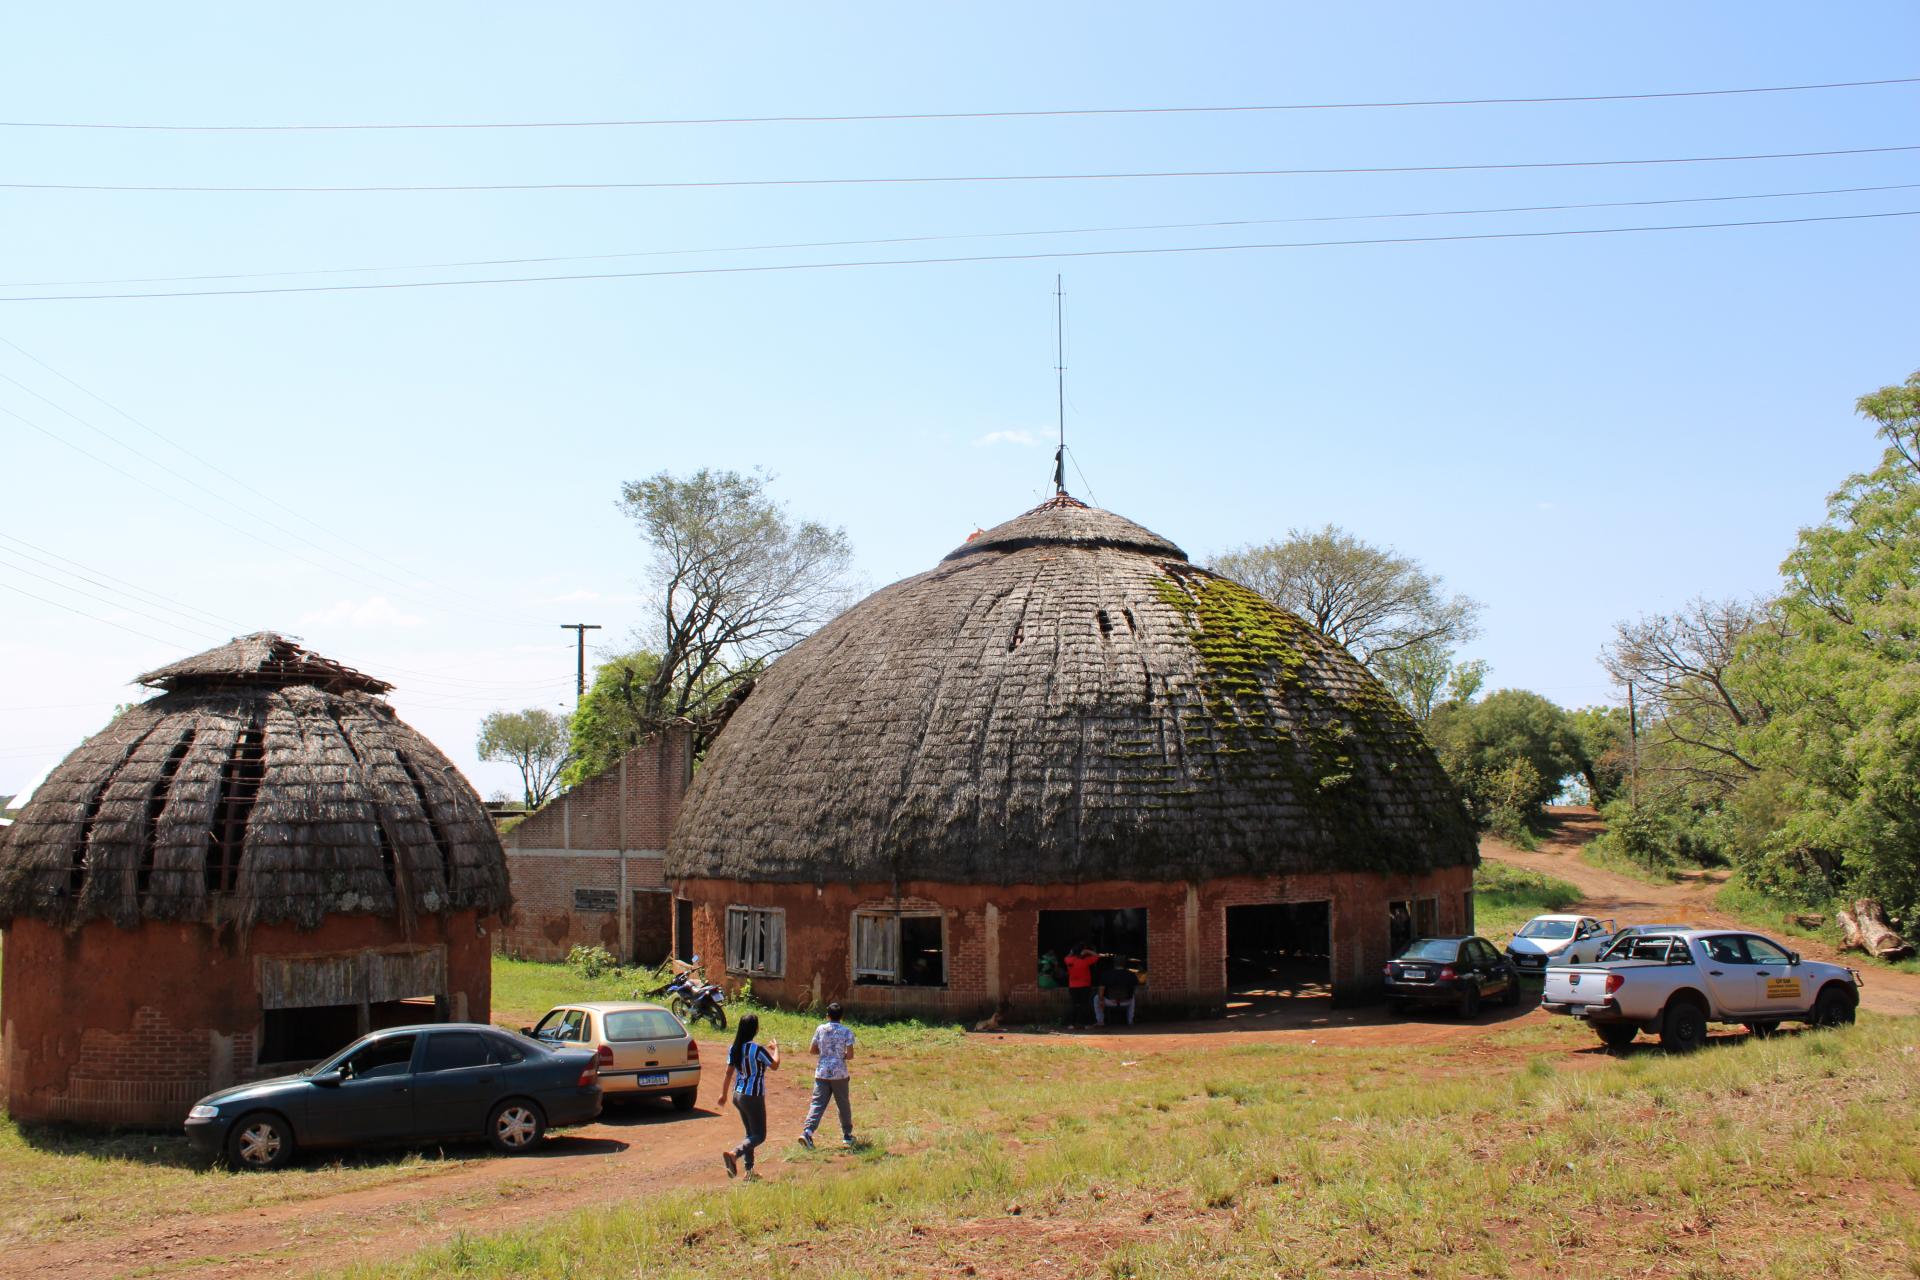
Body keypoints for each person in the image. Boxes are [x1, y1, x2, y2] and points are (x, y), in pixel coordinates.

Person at [716, 1013, 780, 1180]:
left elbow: (728, 1073)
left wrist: (723, 1095)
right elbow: (775, 1065)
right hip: (753, 1096)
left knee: (750, 1133)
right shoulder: (756, 1049)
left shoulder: (734, 1048)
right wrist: (776, 1049)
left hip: (738, 1094)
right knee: (759, 1135)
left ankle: (749, 1171)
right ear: (755, 1029)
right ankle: (734, 1154)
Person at [798, 1001, 857, 1149]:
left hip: (822, 1072)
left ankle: (808, 1132)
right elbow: (850, 1055)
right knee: (843, 1104)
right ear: (841, 1016)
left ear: (827, 1016)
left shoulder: (820, 1029)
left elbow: (812, 1050)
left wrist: (825, 1054)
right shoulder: (846, 1031)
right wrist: (840, 1055)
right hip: (839, 1073)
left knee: (817, 1103)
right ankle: (847, 1136)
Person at [1062, 942, 1099, 1027]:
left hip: (1073, 986)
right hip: (1085, 986)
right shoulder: (1086, 960)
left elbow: (1067, 957)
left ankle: (1072, 1024)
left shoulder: (1068, 960)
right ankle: (1085, 1024)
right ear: (1082, 951)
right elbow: (1097, 956)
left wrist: (1072, 952)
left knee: (1075, 1005)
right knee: (1084, 1005)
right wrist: (1087, 951)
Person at [1095, 960, 1140, 1027]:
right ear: (1124, 965)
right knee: (1132, 997)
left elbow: (1101, 989)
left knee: (1096, 998)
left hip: (1110, 1001)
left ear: (1114, 964)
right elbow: (1136, 989)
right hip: (1126, 1001)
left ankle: (1100, 1021)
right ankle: (1130, 1021)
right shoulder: (1131, 974)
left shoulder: (1106, 974)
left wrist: (1101, 1001)